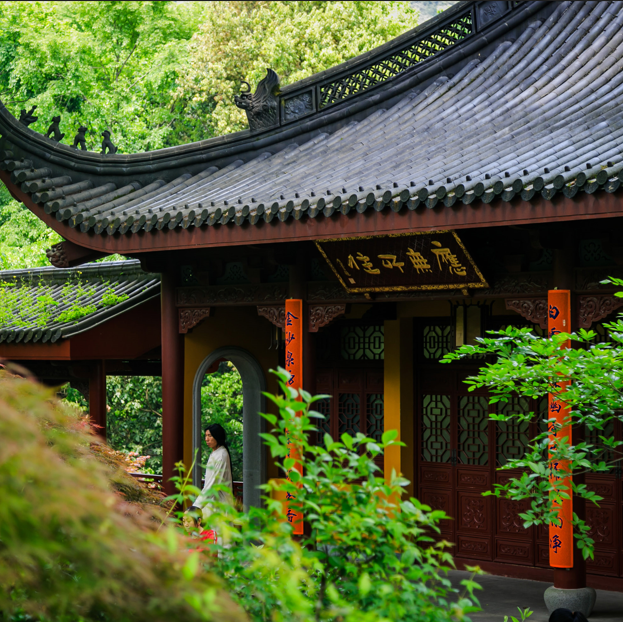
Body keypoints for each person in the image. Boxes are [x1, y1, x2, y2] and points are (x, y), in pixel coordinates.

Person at [187, 424, 234, 538]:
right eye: (206, 436)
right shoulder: (216, 453)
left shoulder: (221, 455)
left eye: (210, 436)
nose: (206, 439)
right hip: (214, 505)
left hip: (220, 505)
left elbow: (212, 486)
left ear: (218, 437)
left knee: (222, 542)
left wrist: (195, 507)